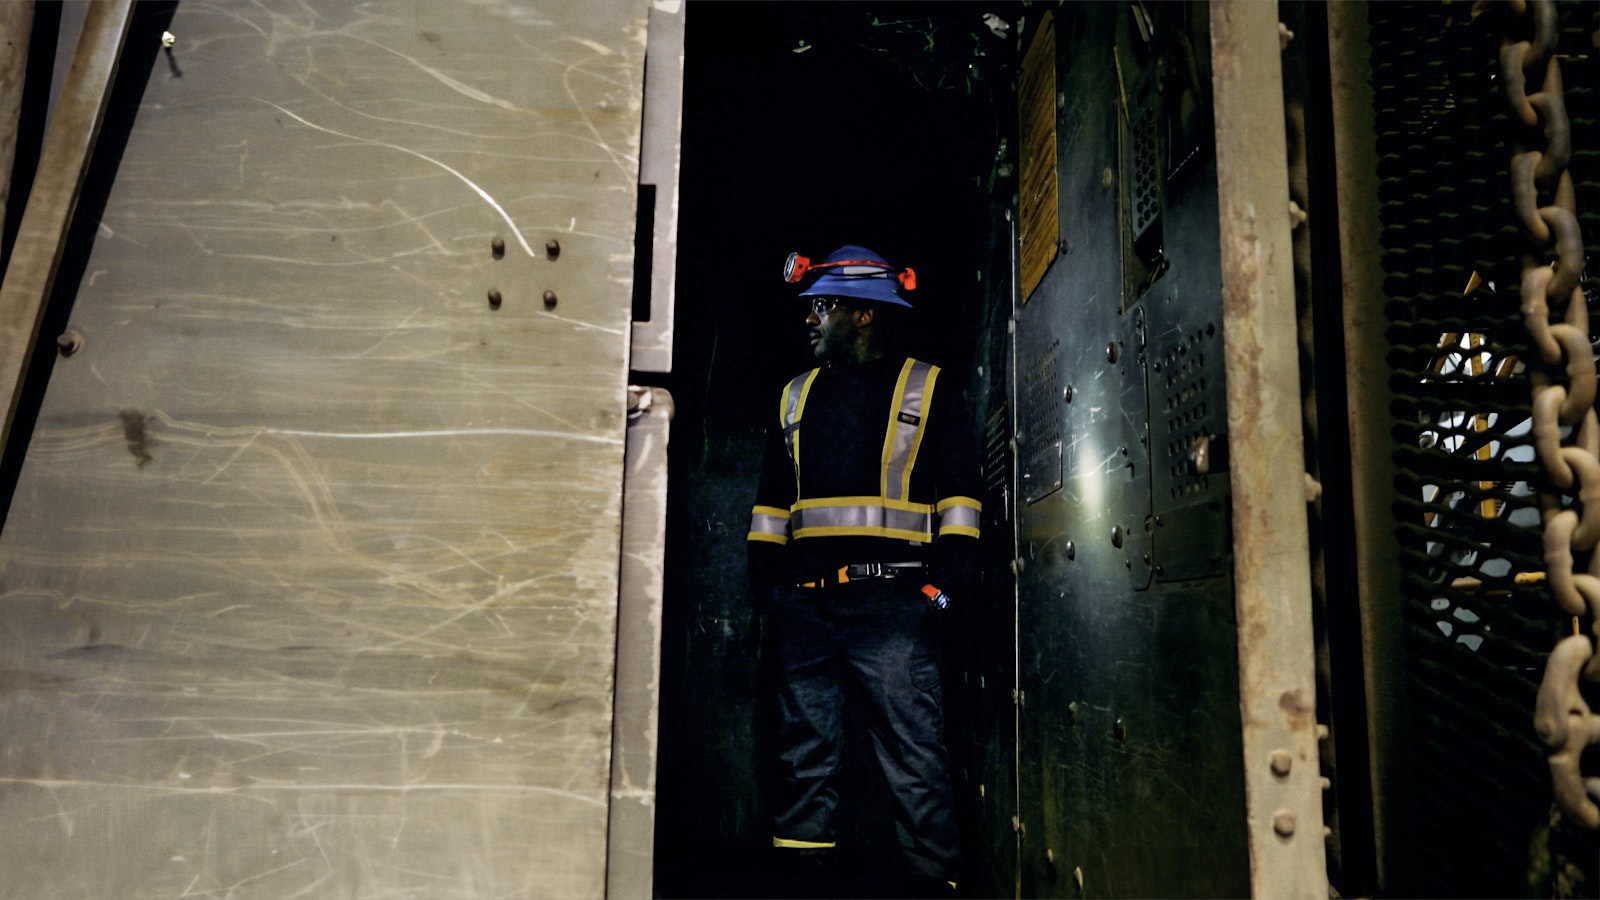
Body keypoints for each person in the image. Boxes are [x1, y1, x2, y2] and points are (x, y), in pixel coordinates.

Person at [747, 244, 982, 897]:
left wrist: (939, 590)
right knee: (804, 753)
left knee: (914, 752)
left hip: (896, 607)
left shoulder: (928, 388)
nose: (810, 320)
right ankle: (801, 873)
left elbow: (961, 500)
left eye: (821, 307)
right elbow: (770, 508)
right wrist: (774, 595)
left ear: (864, 314)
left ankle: (933, 879)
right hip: (807, 610)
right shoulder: (794, 397)